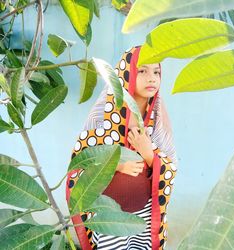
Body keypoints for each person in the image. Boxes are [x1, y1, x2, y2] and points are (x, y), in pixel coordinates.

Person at [66, 46, 177, 250]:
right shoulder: (104, 113)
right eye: (142, 71)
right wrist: (117, 165)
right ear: (127, 73)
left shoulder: (158, 118)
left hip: (145, 211)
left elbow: (170, 166)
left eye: (156, 72)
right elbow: (81, 162)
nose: (151, 78)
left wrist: (148, 154)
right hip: (110, 213)